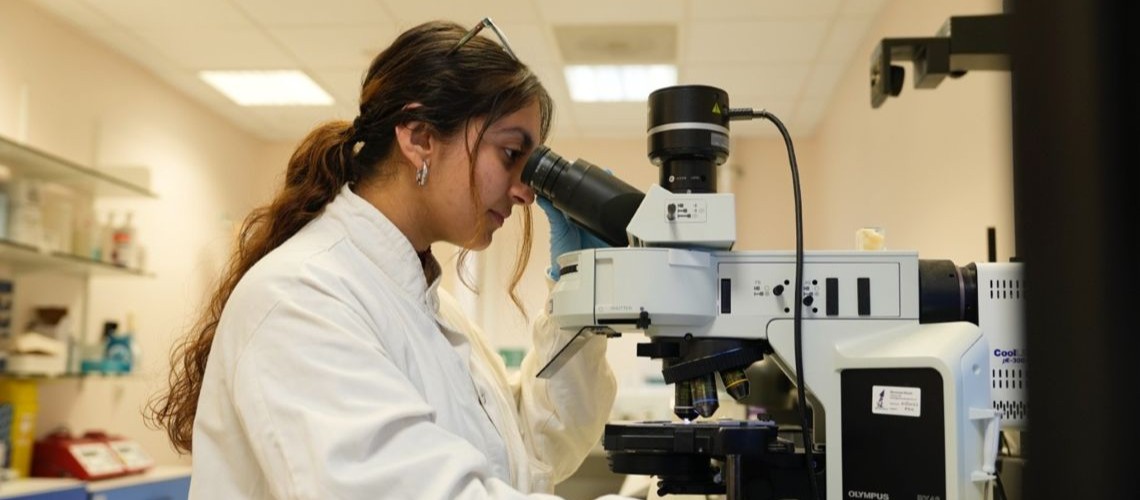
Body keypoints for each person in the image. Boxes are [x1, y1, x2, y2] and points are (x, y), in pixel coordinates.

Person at [147, 19, 618, 499]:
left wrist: (579, 291)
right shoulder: (301, 298)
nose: (524, 191)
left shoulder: (429, 307)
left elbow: (533, 451)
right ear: (419, 138)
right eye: (511, 153)